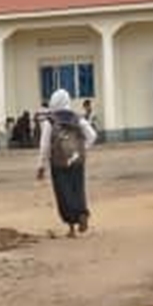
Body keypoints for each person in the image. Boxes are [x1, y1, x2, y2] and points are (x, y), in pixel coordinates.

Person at [35, 88, 98, 237]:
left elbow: (44, 146)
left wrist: (41, 166)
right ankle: (82, 213)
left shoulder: (50, 121)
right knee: (78, 189)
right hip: (77, 161)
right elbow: (93, 136)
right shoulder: (78, 118)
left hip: (58, 162)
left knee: (64, 193)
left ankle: (71, 228)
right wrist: (83, 149)